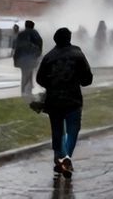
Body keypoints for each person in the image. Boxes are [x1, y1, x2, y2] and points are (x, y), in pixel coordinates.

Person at [36, 27, 94, 179]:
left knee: (57, 130)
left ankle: (59, 158)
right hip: (73, 100)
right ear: (69, 38)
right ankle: (66, 157)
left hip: (53, 101)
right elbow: (87, 79)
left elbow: (39, 78)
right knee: (73, 129)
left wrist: (52, 84)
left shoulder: (49, 57)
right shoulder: (78, 55)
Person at [13, 20, 45, 95]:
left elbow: (16, 46)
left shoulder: (21, 34)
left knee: (25, 73)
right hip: (31, 57)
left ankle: (26, 89)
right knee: (29, 72)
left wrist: (16, 57)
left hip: (21, 57)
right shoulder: (35, 33)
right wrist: (39, 54)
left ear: (26, 25)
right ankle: (26, 89)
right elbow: (40, 43)